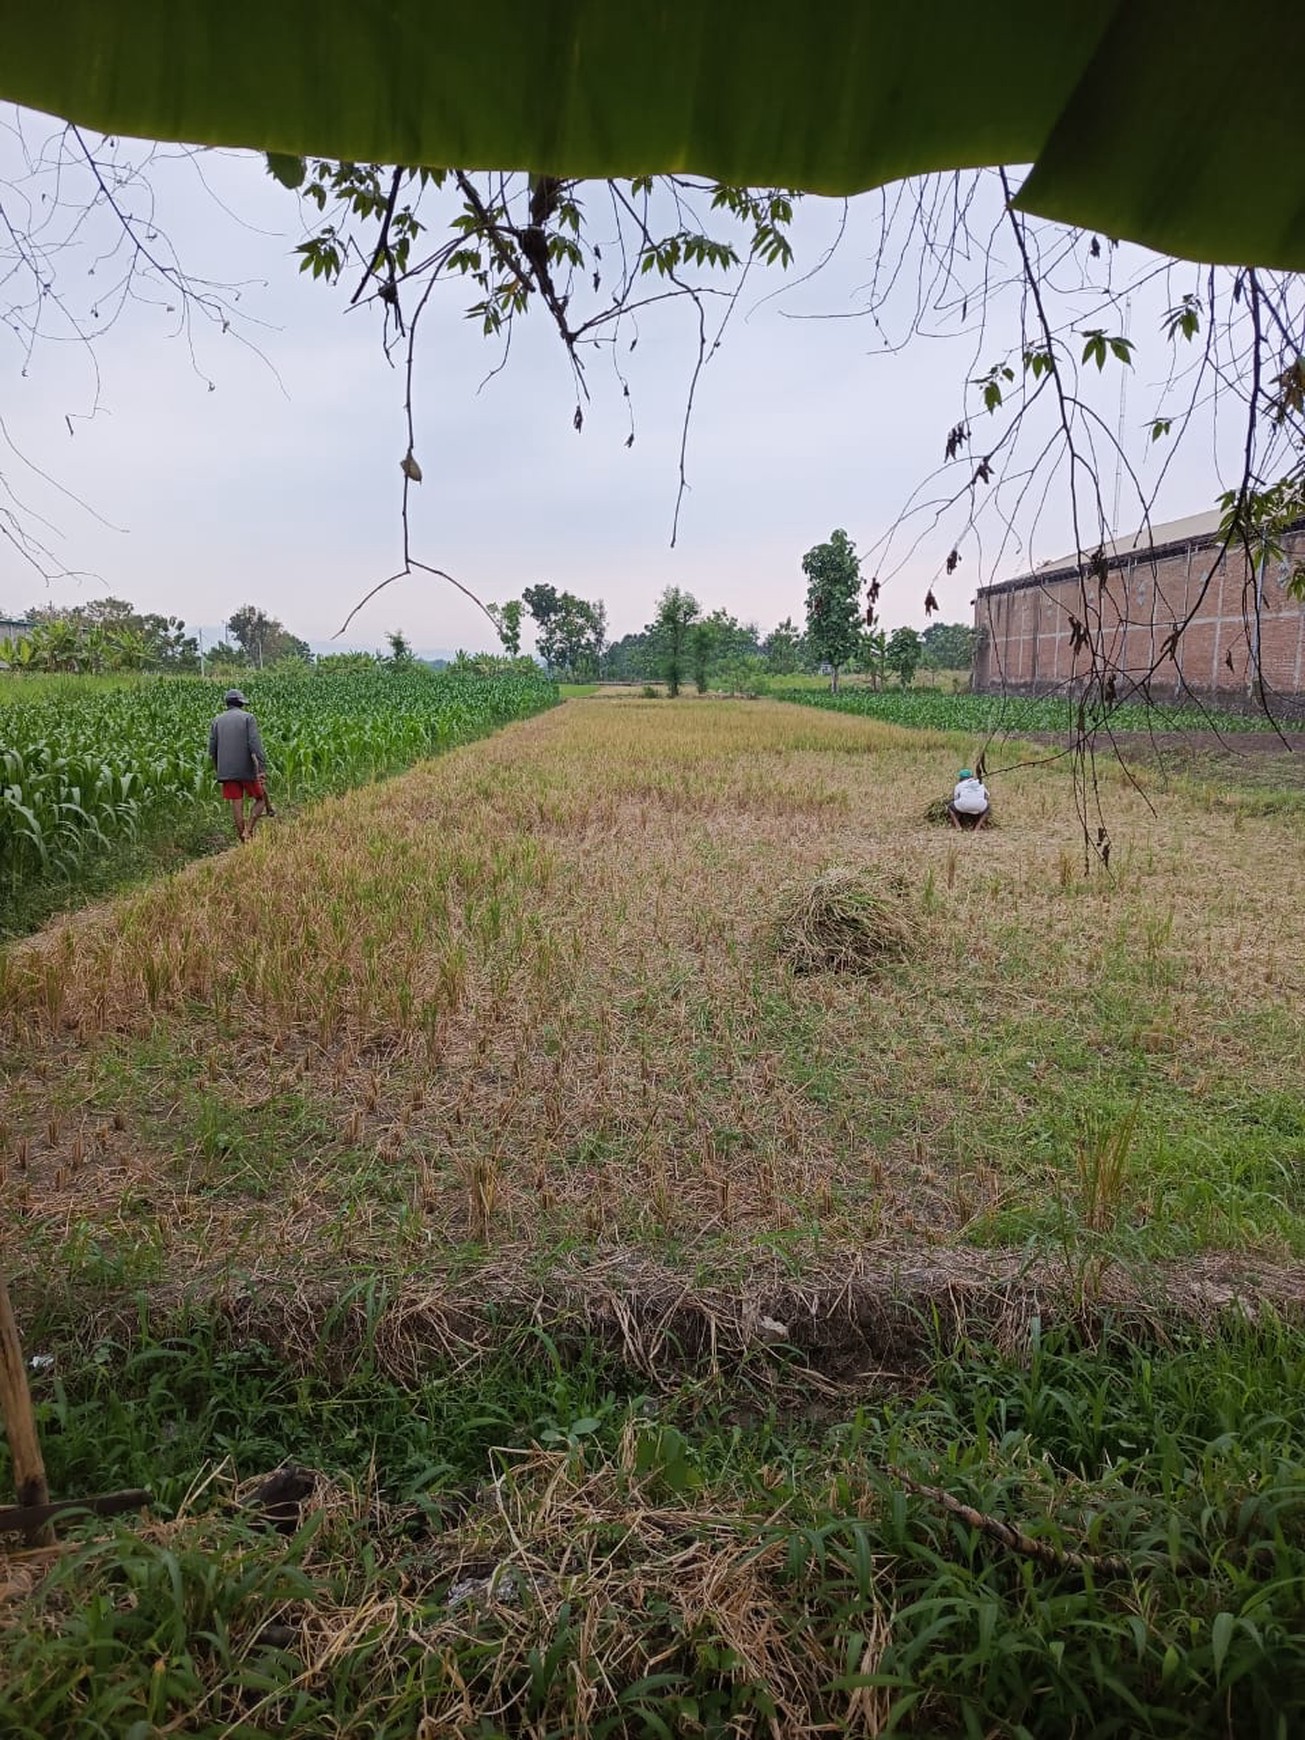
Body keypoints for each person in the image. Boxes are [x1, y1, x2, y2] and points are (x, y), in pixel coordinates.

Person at [209, 688, 275, 842]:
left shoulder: (217, 720)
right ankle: (248, 830)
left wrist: (218, 769)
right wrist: (261, 768)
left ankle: (242, 838)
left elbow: (212, 749)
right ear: (240, 703)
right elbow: (254, 744)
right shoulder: (248, 718)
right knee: (260, 799)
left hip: (226, 770)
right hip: (246, 768)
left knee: (236, 802)